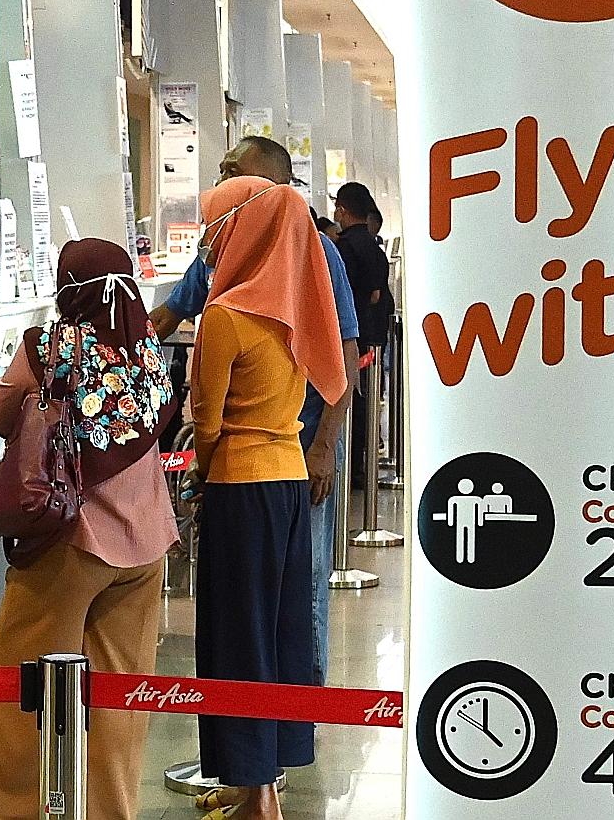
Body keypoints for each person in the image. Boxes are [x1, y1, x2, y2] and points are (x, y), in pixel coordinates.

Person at [0, 239, 178, 820]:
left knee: (19, 683)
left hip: (73, 540)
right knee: (119, 695)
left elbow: (3, 415)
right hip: (148, 542)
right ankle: (108, 809)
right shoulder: (148, 346)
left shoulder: (51, 346)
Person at [148, 136, 359, 691]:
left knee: (299, 587)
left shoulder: (318, 253)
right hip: (252, 460)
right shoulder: (221, 251)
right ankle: (276, 725)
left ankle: (303, 702)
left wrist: (324, 447)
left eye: (233, 170)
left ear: (268, 185)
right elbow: (168, 315)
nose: (221, 176)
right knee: (258, 603)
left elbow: (344, 356)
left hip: (297, 448)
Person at [190, 177, 348, 820]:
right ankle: (268, 778)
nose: (207, 242)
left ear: (241, 231)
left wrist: (201, 473)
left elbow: (207, 418)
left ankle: (254, 791)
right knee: (281, 629)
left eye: (214, 226)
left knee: (238, 635)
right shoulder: (299, 308)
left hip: (238, 484)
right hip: (288, 481)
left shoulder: (225, 315)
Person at [332, 183, 394, 489]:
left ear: (342, 210)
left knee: (351, 404)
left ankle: (351, 468)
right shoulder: (374, 247)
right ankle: (360, 465)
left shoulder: (343, 249)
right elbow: (377, 294)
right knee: (367, 402)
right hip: (373, 338)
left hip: (350, 338)